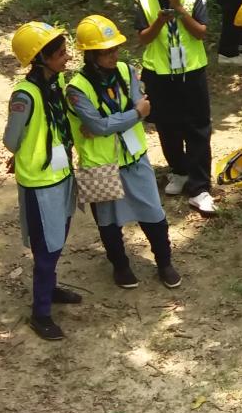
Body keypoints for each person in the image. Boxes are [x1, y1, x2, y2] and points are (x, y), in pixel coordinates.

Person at [66, 15, 181, 290]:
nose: (114, 54)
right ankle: (120, 266)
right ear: (90, 55)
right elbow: (103, 123)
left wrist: (111, 123)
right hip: (99, 164)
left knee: (153, 213)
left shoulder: (126, 71)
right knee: (108, 222)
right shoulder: (76, 89)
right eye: (106, 51)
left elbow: (141, 108)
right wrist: (131, 115)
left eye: (115, 48)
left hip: (134, 157)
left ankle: (164, 262)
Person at [4, 23, 80, 341]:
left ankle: (49, 288)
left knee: (56, 240)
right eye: (60, 54)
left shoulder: (53, 83)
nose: (67, 57)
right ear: (40, 58)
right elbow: (11, 140)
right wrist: (23, 153)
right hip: (40, 183)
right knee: (46, 247)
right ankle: (41, 314)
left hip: (61, 174)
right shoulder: (26, 95)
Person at [133, 0, 216, 216]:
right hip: (159, 71)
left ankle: (200, 186)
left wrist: (180, 9)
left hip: (191, 69)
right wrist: (159, 21)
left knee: (198, 127)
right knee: (167, 125)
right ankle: (179, 170)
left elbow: (201, 32)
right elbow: (143, 38)